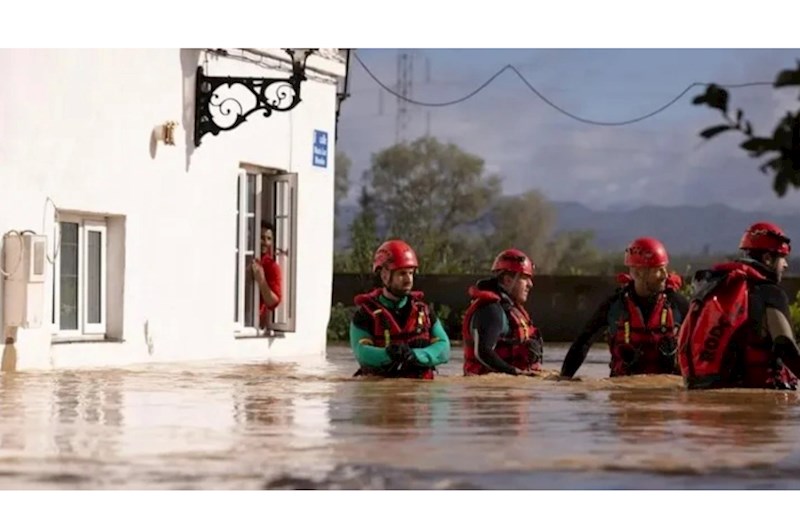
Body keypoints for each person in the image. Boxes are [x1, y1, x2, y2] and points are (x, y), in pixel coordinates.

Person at [678, 222, 800, 390]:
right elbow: (785, 345)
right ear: (767, 258)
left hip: (704, 394)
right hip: (755, 398)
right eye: (782, 258)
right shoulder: (770, 292)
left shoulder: (712, 286)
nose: (785, 265)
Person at [560, 237, 689, 378]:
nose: (665, 275)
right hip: (622, 391)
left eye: (665, 269)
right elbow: (583, 342)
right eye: (658, 270)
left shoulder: (677, 304)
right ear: (639, 273)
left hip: (665, 394)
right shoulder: (614, 305)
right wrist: (564, 378)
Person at [349, 240, 450, 379]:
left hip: (420, 392)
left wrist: (415, 355)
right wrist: (388, 354)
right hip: (382, 392)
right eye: (402, 274)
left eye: (411, 273)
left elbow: (444, 349)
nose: (409, 280)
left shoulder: (424, 311)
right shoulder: (364, 315)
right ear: (384, 275)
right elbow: (362, 353)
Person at [462, 248, 543, 376]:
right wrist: (516, 372)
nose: (530, 284)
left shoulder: (509, 308)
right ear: (508, 280)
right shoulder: (491, 310)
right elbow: (483, 352)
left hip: (511, 389)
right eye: (524, 278)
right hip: (490, 391)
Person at [251, 220, 282, 328]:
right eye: (261, 237)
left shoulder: (271, 266)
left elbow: (273, 302)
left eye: (269, 239)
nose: (265, 242)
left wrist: (261, 281)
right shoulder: (242, 257)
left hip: (254, 324)